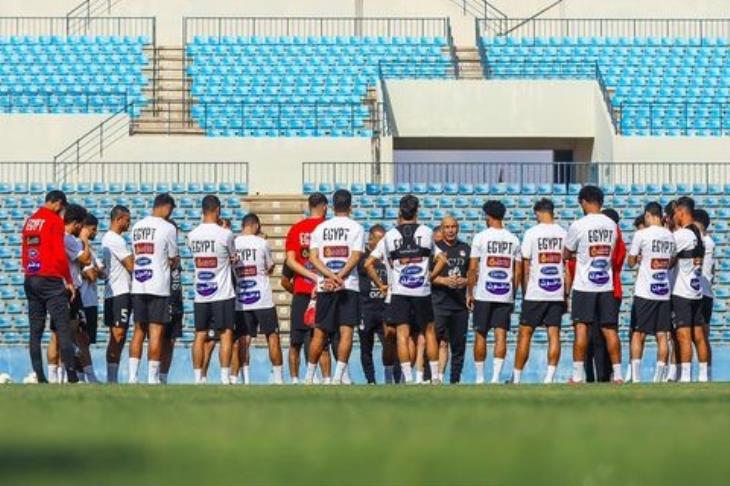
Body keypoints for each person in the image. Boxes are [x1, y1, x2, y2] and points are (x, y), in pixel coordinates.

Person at [365, 195, 440, 384]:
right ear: (417, 211)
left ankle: (407, 378)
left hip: (399, 292)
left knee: (402, 335)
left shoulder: (390, 235)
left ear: (399, 211)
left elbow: (368, 263)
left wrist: (380, 284)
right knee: (429, 331)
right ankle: (436, 376)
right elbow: (442, 259)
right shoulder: (427, 232)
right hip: (422, 291)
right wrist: (429, 277)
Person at [563, 185, 623, 384]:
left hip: (584, 285)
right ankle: (618, 374)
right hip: (605, 285)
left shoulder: (579, 225)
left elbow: (566, 252)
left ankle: (578, 375)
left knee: (581, 329)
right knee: (610, 330)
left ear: (584, 202)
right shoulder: (612, 225)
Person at [305, 189, 364, 385]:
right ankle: (338, 377)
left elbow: (313, 258)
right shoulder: (356, 227)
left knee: (320, 333)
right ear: (350, 206)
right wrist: (340, 277)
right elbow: (355, 257)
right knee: (346, 331)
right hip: (348, 285)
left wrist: (330, 276)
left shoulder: (320, 229)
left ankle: (309, 377)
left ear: (331, 206)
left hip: (326, 286)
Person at [22, 191, 78, 383]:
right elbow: (60, 254)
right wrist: (68, 280)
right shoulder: (54, 221)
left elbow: (25, 250)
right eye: (62, 208)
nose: (62, 212)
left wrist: (29, 272)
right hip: (50, 279)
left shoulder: (30, 220)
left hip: (31, 277)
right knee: (63, 328)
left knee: (35, 331)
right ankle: (72, 377)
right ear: (58, 204)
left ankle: (40, 377)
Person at [511, 198, 567, 384]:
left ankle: (517, 378)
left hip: (535, 291)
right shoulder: (563, 233)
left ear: (539, 212)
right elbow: (567, 266)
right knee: (554, 334)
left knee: (525, 333)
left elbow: (526, 266)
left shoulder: (532, 233)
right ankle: (549, 378)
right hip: (556, 291)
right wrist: (565, 293)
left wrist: (526, 292)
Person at [468, 200, 521, 384]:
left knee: (480, 334)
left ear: (487, 216)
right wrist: (513, 293)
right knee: (501, 335)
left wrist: (469, 292)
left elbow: (473, 268)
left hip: (484, 293)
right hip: (504, 293)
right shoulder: (513, 239)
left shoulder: (480, 237)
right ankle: (496, 377)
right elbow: (518, 271)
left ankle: (480, 378)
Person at [129, 193, 179, 384]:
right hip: (158, 285)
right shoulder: (167, 227)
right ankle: (152, 378)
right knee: (156, 332)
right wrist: (171, 261)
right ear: (166, 207)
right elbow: (173, 257)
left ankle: (132, 377)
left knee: (138, 331)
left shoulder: (137, 226)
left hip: (139, 284)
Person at [188, 195, 237, 385]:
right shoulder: (225, 234)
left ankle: (198, 378)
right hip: (223, 292)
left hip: (201, 293)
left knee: (200, 335)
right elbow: (234, 259)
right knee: (225, 334)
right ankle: (225, 378)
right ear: (217, 210)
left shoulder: (192, 235)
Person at [627, 202, 676, 383]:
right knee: (662, 334)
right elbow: (672, 260)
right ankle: (658, 378)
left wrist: (637, 258)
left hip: (645, 292)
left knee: (638, 334)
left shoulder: (641, 234)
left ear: (648, 215)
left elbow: (631, 262)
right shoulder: (670, 236)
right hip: (663, 291)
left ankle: (636, 377)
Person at [285, 192, 331, 384]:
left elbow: (290, 261)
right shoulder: (329, 228)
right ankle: (327, 379)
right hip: (325, 291)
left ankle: (295, 379)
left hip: (302, 292)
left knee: (295, 340)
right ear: (325, 207)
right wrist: (317, 276)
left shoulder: (296, 229)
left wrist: (307, 275)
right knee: (323, 340)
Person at [234, 213, 284, 384]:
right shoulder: (262, 243)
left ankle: (244, 379)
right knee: (272, 336)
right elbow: (270, 268)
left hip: (242, 298)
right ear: (255, 226)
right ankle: (278, 378)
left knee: (243, 339)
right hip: (262, 297)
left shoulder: (234, 243)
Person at [48, 204, 93, 383]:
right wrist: (85, 240)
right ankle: (54, 375)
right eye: (81, 225)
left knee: (71, 332)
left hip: (74, 290)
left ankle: (63, 374)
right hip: (64, 290)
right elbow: (86, 259)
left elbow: (82, 264)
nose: (83, 229)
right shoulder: (65, 239)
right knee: (58, 335)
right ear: (76, 224)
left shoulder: (71, 240)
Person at [671, 197, 710, 382]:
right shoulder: (699, 234)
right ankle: (703, 376)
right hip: (697, 290)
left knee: (683, 335)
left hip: (682, 291)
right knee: (699, 335)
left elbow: (668, 260)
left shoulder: (682, 235)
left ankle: (685, 376)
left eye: (675, 212)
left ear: (681, 211)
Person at [357, 224, 400, 384]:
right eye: (379, 239)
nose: (382, 242)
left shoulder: (389, 258)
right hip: (366, 309)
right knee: (365, 347)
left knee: (390, 345)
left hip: (385, 308)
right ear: (370, 239)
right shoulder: (362, 258)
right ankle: (371, 380)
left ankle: (393, 378)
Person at [431, 216, 470, 384]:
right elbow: (426, 276)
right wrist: (443, 280)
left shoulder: (465, 248)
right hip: (439, 303)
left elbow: (473, 273)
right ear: (441, 229)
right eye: (447, 227)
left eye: (453, 226)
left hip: (459, 305)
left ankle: (455, 380)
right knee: (434, 341)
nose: (450, 230)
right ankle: (430, 377)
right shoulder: (435, 250)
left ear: (458, 228)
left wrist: (466, 281)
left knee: (458, 345)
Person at [101, 205, 134, 383]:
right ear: (118, 219)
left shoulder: (114, 239)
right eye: (127, 220)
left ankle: (112, 377)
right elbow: (131, 265)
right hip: (118, 292)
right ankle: (111, 378)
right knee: (117, 334)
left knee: (119, 335)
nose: (129, 223)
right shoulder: (114, 239)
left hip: (118, 291)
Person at [78, 214, 103, 383]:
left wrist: (92, 271)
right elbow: (92, 275)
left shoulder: (91, 250)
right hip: (82, 301)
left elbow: (101, 272)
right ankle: (89, 376)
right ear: (85, 228)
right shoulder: (80, 247)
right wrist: (92, 272)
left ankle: (81, 376)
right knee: (81, 340)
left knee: (85, 341)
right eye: (93, 229)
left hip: (91, 301)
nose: (96, 232)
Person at [161, 219, 184, 385]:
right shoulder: (161, 250)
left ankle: (163, 377)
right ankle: (153, 375)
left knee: (171, 341)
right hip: (162, 297)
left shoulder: (177, 251)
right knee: (158, 337)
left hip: (176, 299)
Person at [694, 208, 715, 380]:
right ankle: (707, 374)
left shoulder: (702, 240)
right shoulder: (709, 241)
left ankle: (704, 373)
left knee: (699, 336)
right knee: (703, 337)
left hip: (698, 293)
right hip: (706, 293)